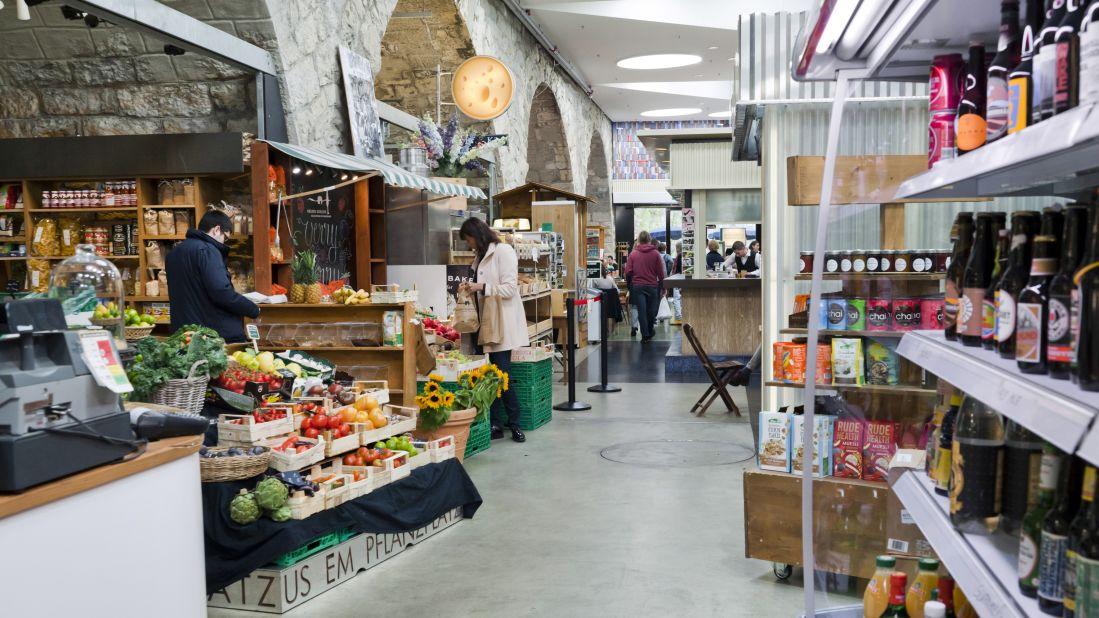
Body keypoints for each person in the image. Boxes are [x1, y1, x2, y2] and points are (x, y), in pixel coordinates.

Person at [459, 218, 528, 443]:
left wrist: (481, 287)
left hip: (499, 323)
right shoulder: (479, 255)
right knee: (488, 376)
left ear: (477, 234)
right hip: (480, 323)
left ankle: (515, 424)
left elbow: (509, 288)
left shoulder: (503, 251)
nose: (469, 244)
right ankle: (495, 423)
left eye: (469, 239)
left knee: (501, 375)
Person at [165, 210, 259, 343]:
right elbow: (221, 292)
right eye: (225, 238)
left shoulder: (174, 253)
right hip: (211, 335)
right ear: (217, 229)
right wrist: (252, 309)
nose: (224, 243)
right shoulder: (208, 250)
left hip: (183, 334)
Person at [624, 231, 666, 342]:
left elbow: (628, 272)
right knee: (651, 311)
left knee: (641, 311)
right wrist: (663, 287)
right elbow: (660, 273)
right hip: (652, 286)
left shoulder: (633, 254)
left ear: (638, 240)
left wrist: (629, 285)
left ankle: (645, 335)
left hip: (637, 286)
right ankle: (649, 330)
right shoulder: (656, 254)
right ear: (649, 240)